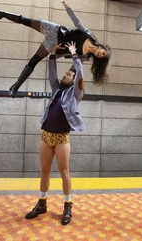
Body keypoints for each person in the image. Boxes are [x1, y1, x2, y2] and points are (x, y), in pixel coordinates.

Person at [0, 1, 111, 97]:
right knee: (25, 20)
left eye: (101, 56)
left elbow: (74, 67)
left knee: (34, 61)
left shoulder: (85, 56)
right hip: (55, 29)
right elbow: (77, 23)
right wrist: (68, 9)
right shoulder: (90, 35)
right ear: (102, 47)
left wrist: (71, 81)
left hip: (54, 44)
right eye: (103, 52)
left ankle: (16, 86)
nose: (100, 54)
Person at [24, 41, 84, 226]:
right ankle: (42, 203)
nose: (65, 75)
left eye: (69, 74)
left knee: (64, 172)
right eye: (66, 73)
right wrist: (52, 54)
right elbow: (52, 74)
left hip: (61, 138)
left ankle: (67, 206)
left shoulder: (75, 94)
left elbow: (80, 74)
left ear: (74, 81)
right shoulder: (57, 90)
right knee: (44, 172)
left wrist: (75, 55)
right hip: (46, 135)